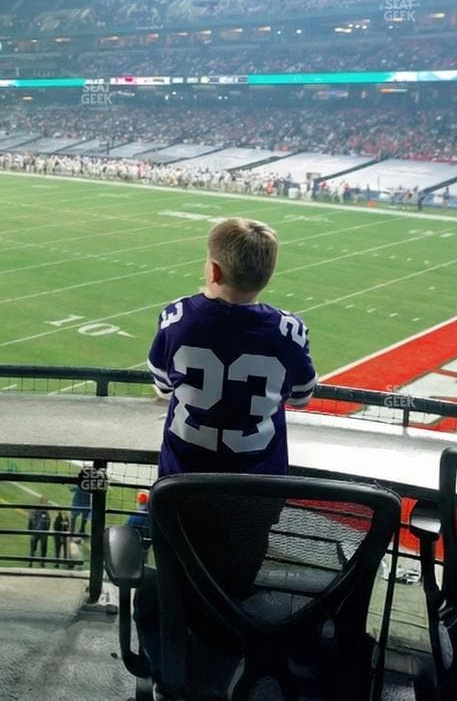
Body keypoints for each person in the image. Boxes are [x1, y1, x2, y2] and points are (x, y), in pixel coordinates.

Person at [139, 218, 318, 688]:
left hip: (183, 488)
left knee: (177, 585)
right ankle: (221, 670)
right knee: (233, 588)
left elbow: (162, 385)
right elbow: (301, 396)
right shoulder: (288, 329)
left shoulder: (179, 317)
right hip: (253, 491)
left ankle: (173, 676)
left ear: (213, 270)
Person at [27, 501, 51, 568]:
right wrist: (47, 530)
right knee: (43, 547)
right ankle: (42, 562)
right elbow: (48, 521)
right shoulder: (46, 512)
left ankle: (31, 561)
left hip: (36, 532)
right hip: (42, 533)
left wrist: (30, 529)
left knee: (33, 547)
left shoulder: (34, 511)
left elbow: (30, 520)